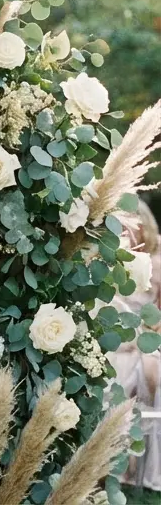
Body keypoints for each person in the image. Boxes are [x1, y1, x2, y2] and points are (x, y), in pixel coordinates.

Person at [109, 201, 161, 491]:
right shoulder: (110, 260)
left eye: (133, 224)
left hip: (148, 341)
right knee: (121, 369)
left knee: (150, 369)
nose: (129, 232)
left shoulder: (158, 257)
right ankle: (117, 462)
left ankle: (139, 465)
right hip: (121, 344)